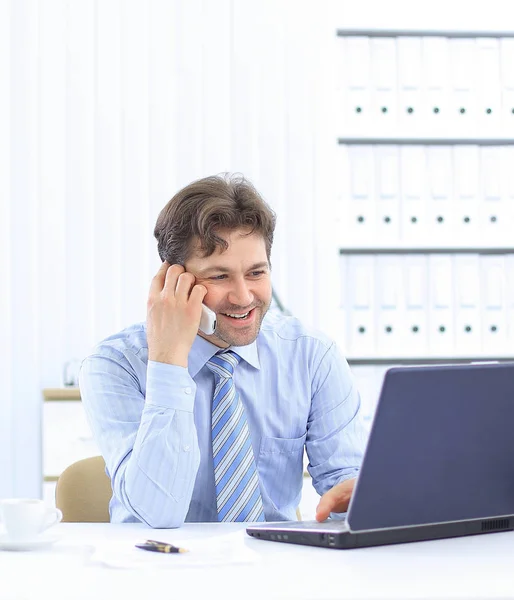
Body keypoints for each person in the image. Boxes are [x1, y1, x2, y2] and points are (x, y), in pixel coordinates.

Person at [79, 173, 368, 528]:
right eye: (219, 277)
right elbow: (157, 513)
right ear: (174, 281)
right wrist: (168, 361)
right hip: (155, 568)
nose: (244, 297)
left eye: (256, 272)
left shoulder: (311, 356)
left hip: (274, 567)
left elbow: (347, 484)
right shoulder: (115, 365)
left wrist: (363, 494)